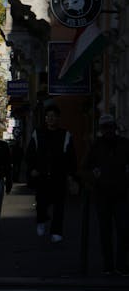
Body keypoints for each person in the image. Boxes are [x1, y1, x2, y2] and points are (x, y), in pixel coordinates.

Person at [83, 114, 129, 275]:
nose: (108, 130)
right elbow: (86, 168)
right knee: (105, 231)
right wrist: (93, 177)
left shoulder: (124, 144)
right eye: (105, 127)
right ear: (102, 130)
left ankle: (121, 265)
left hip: (121, 193)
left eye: (110, 127)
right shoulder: (96, 146)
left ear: (115, 128)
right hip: (102, 194)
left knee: (123, 229)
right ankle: (109, 265)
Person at [26, 104, 77, 243]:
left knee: (59, 206)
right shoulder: (38, 133)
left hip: (58, 176)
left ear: (58, 118)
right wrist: (32, 169)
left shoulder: (65, 135)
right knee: (41, 203)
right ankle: (41, 220)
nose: (50, 119)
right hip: (41, 176)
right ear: (45, 118)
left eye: (53, 116)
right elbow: (30, 153)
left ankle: (56, 232)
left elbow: (71, 157)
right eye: (48, 116)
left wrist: (72, 176)